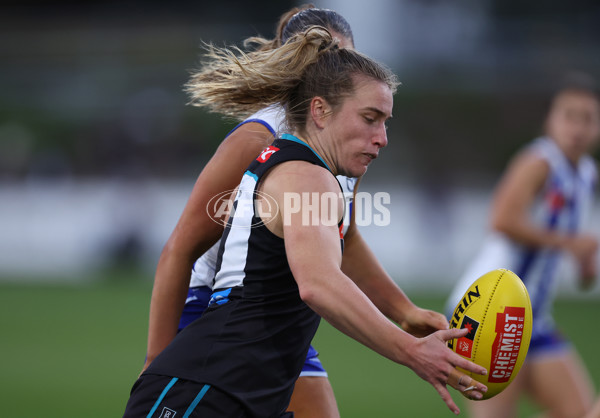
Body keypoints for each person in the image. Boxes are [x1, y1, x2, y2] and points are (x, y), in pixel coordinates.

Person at [124, 26, 488, 417]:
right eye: (370, 118)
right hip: (209, 387)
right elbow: (317, 285)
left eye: (385, 122)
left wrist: (403, 311)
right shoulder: (303, 174)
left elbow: (340, 243)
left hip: (241, 388)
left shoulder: (308, 165)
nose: (382, 137)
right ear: (319, 109)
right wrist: (409, 349)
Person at [445, 74, 600, 418]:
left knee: (579, 411)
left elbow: (573, 255)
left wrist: (585, 261)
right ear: (550, 121)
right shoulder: (539, 162)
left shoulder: (587, 175)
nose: (577, 128)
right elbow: (501, 219)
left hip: (533, 316)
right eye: (569, 116)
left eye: (587, 118)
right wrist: (571, 243)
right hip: (489, 311)